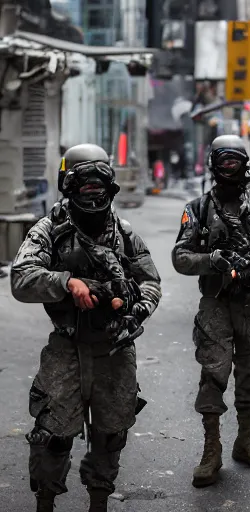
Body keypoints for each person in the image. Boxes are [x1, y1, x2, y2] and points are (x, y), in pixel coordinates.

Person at [11, 144, 162, 512]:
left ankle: (99, 503)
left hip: (115, 347)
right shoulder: (49, 230)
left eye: (99, 186)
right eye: (84, 186)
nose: (92, 194)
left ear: (110, 187)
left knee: (110, 436)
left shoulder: (123, 234)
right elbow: (21, 278)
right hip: (67, 348)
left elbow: (151, 281)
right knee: (52, 436)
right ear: (69, 186)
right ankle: (44, 503)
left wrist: (136, 310)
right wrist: (67, 283)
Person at [171, 135, 250, 488]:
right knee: (214, 372)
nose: (229, 169)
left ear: (245, 164)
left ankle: (246, 440)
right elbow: (180, 258)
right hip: (216, 302)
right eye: (223, 162)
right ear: (213, 166)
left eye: (235, 162)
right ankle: (211, 449)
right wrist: (212, 260)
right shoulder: (197, 209)